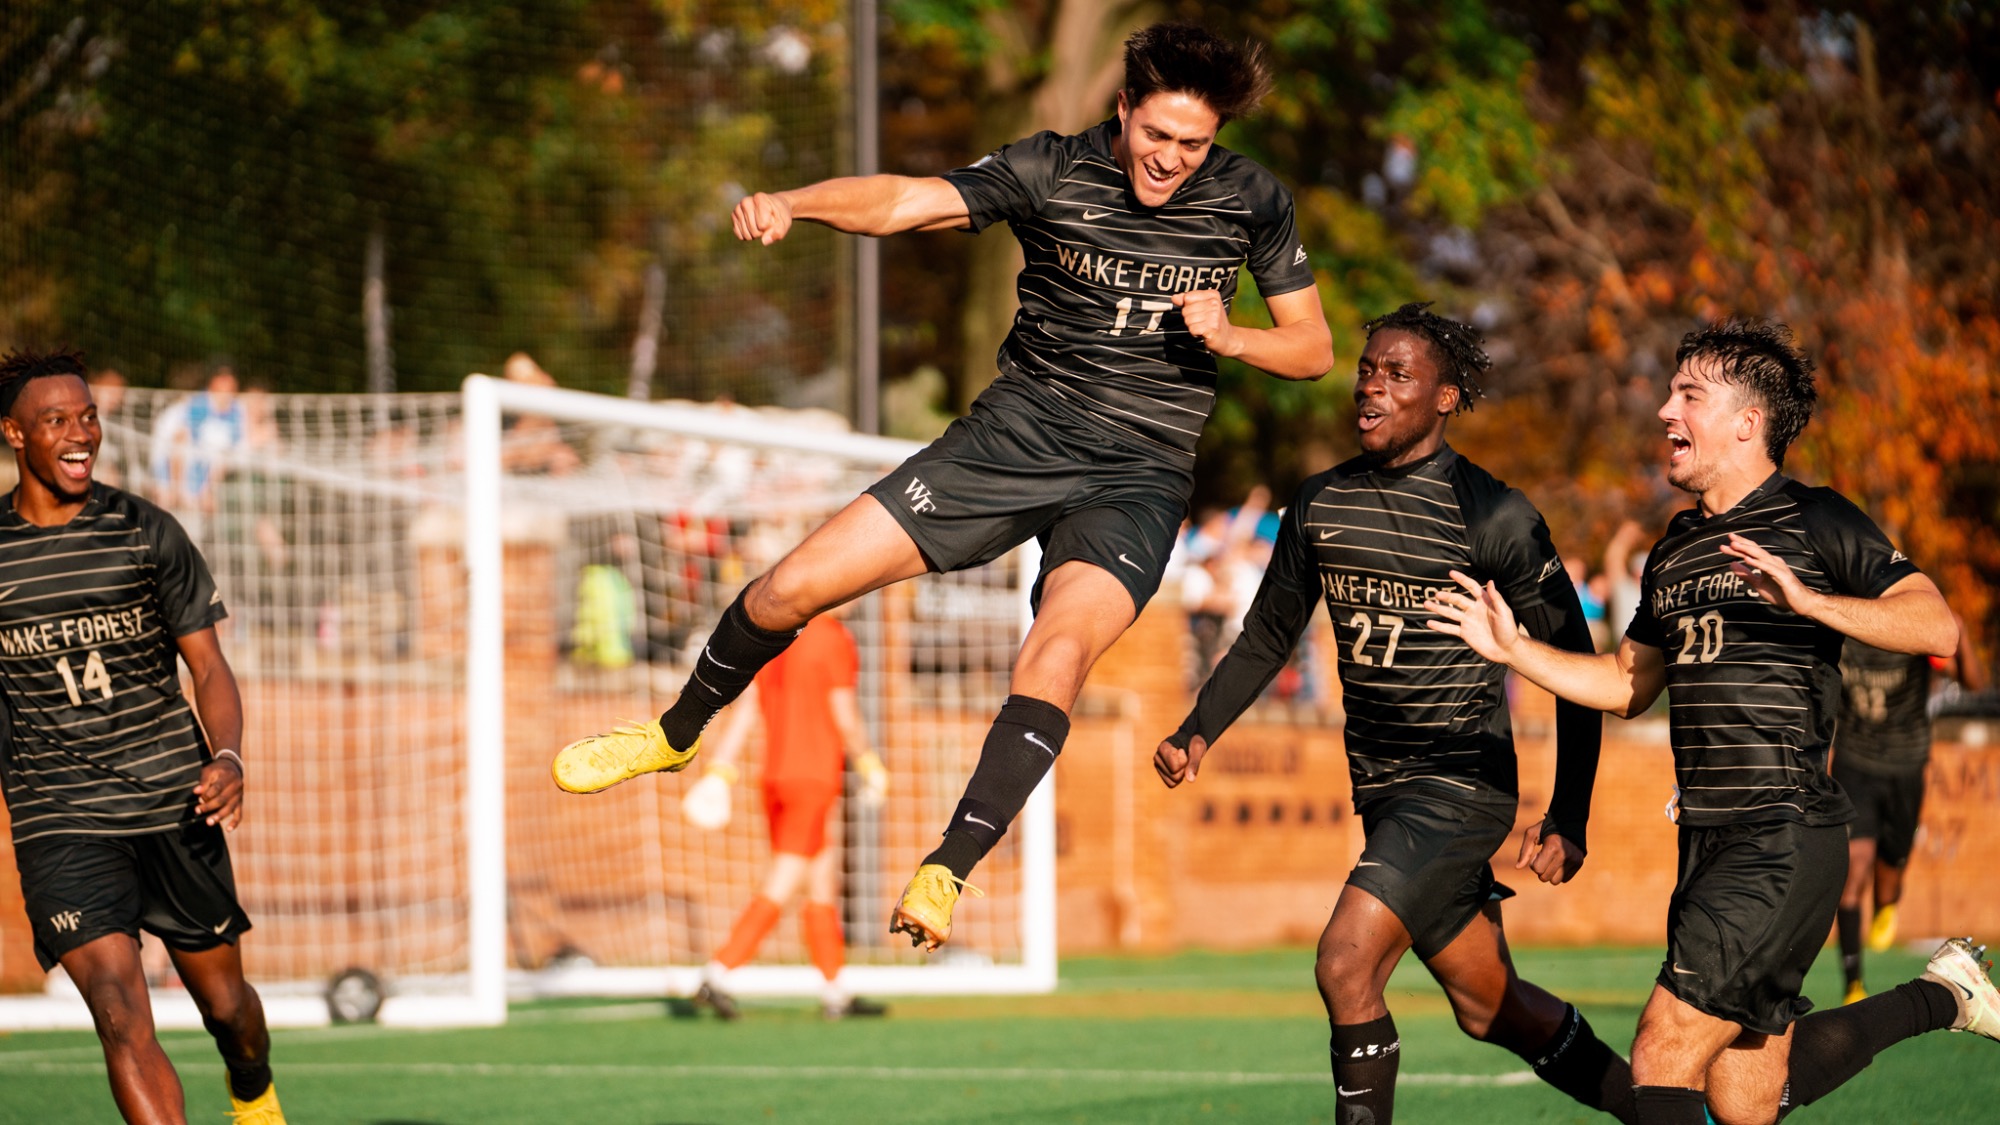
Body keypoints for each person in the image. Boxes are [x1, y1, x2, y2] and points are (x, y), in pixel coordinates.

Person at [551, 22, 1333, 952]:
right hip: (1011, 440)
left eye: (1192, 144)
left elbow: (1314, 347)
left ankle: (946, 868)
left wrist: (1232, 335)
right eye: (1156, 133)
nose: (1169, 158)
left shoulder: (1253, 200)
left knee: (1057, 654)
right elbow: (905, 201)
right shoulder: (1051, 167)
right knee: (788, 588)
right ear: (1123, 108)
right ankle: (676, 733)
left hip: (1140, 473)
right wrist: (794, 203)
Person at [1423, 320, 1998, 1125]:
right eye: (1669, 393)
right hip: (1706, 840)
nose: (1665, 411)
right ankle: (1943, 995)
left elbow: (1935, 623)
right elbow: (1625, 683)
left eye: (1688, 395)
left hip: (1783, 833)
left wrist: (1810, 601)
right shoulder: (1675, 548)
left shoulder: (1815, 517)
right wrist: (1514, 649)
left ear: (1747, 422)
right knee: (1745, 1096)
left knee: (1662, 1050)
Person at [1155, 304, 1633, 1124]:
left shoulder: (1494, 514)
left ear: (1445, 398)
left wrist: (1570, 812)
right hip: (1381, 790)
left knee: (1345, 963)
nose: (1371, 387)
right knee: (1491, 1006)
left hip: (1461, 787)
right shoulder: (1320, 503)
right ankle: (1669, 1114)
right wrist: (1198, 726)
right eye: (1367, 370)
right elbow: (1269, 633)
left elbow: (1576, 667)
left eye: (1398, 374)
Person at [0, 349, 285, 1123]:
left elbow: (210, 667)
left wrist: (228, 757)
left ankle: (254, 1092)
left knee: (228, 1009)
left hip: (172, 801)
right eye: (56, 420)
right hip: (61, 818)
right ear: (15, 434)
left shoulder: (145, 529)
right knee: (118, 1007)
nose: (80, 433)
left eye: (87, 417)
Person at [678, 610, 891, 1020]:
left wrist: (721, 769)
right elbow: (844, 712)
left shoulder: (777, 635)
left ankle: (835, 992)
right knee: (783, 880)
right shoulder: (832, 637)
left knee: (821, 882)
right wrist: (868, 763)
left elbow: (748, 708)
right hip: (813, 777)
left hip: (775, 777)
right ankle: (718, 973)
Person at [1833, 620, 1987, 1003]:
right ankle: (1853, 985)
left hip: (1905, 769)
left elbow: (1974, 683)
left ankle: (1886, 906)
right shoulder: (1840, 623)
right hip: (1854, 764)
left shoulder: (1912, 626)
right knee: (1852, 870)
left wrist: (1960, 634)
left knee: (1889, 876)